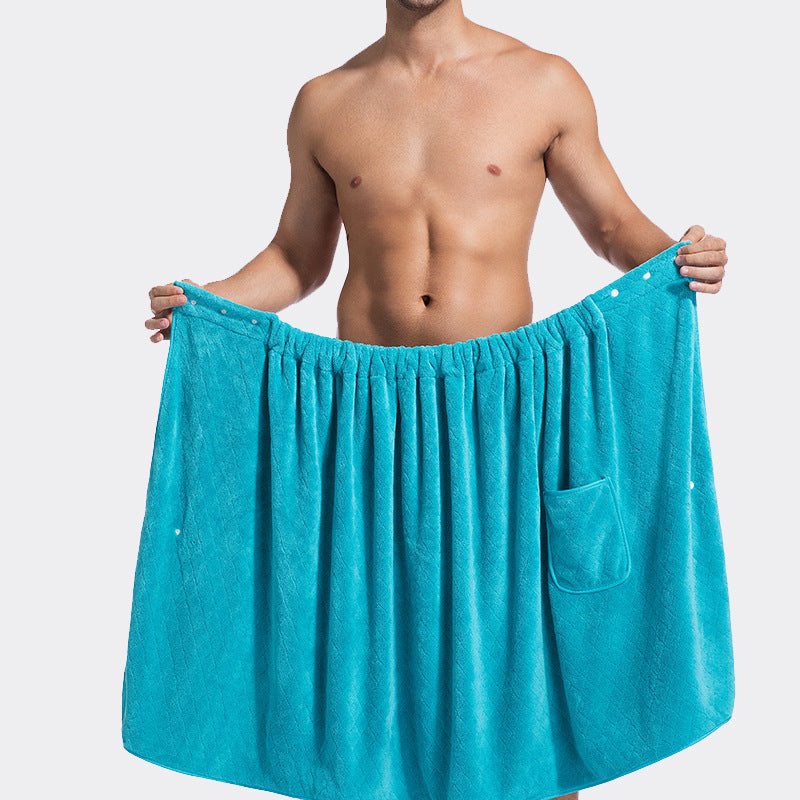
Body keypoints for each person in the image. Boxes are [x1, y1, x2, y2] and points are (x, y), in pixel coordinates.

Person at [143, 2, 728, 798]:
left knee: (521, 680)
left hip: (502, 423)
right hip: (365, 425)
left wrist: (678, 258)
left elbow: (611, 224)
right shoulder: (325, 100)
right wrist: (211, 303)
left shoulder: (544, 82)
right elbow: (297, 257)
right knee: (360, 671)